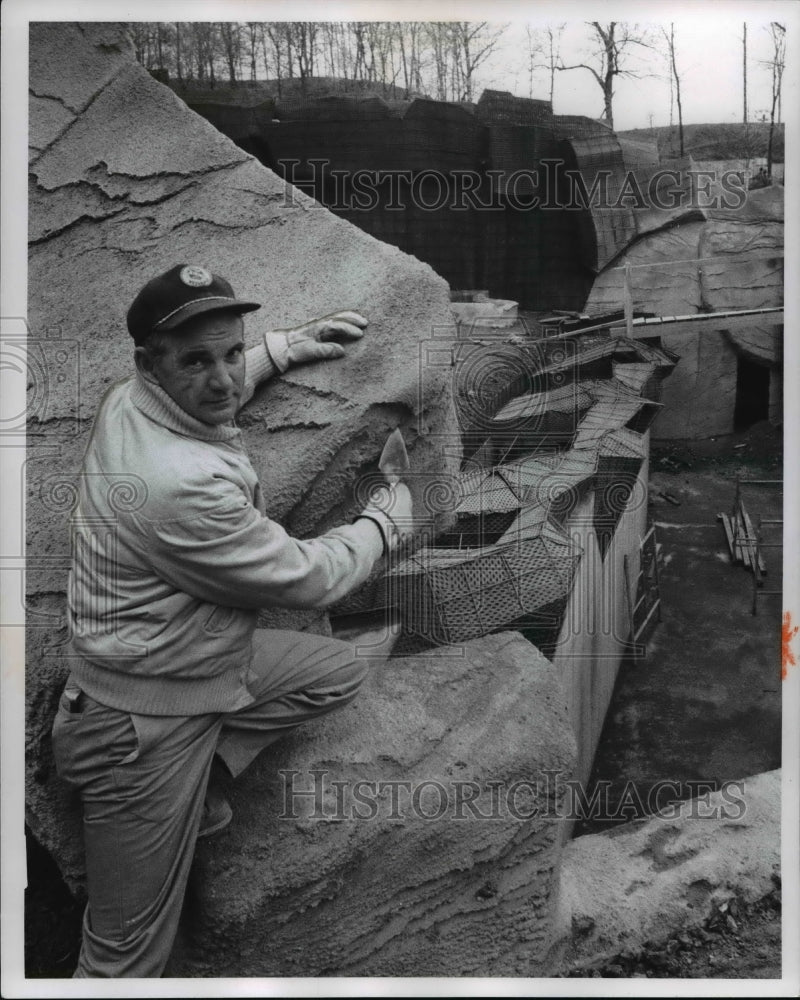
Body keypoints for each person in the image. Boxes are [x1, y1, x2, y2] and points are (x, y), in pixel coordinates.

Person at [51, 263, 412, 978]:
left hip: (193, 666)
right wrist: (388, 520)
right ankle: (175, 793)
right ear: (148, 367)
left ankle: (205, 775)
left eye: (232, 352)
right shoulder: (178, 484)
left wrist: (285, 347)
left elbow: (212, 379)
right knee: (124, 956)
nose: (223, 380)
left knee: (334, 671)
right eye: (196, 360)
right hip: (137, 725)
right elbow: (312, 578)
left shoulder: (128, 401)